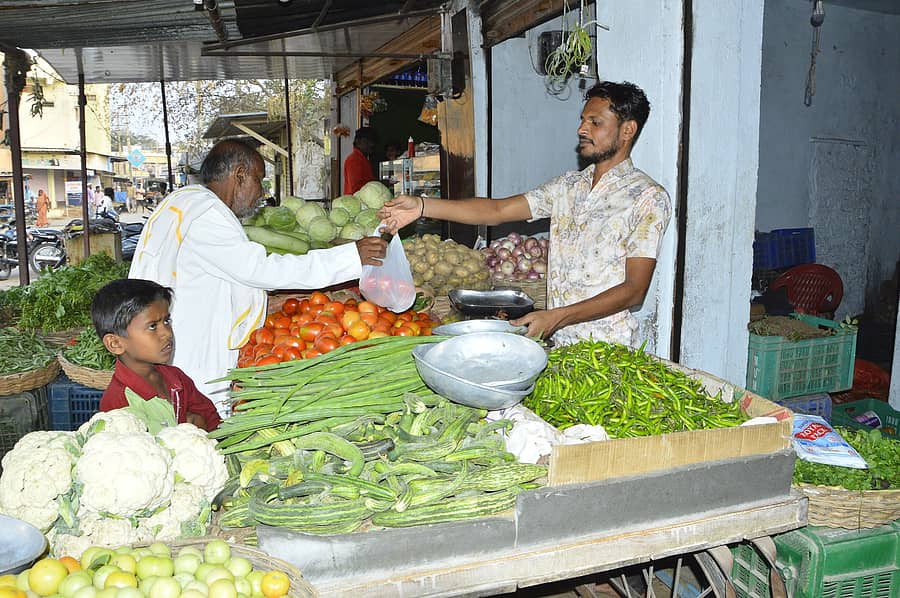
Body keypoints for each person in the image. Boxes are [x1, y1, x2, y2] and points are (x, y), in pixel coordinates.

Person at [380, 81, 672, 348]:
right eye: (583, 120)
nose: (582, 129)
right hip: (559, 342)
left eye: (595, 122)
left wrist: (557, 316)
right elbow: (497, 210)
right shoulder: (569, 186)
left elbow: (634, 290)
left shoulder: (647, 197)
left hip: (609, 348)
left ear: (627, 131)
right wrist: (422, 206)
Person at [129, 139, 388, 414]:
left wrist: (264, 303)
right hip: (195, 348)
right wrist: (350, 257)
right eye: (259, 181)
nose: (261, 194)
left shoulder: (187, 203)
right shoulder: (206, 216)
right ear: (240, 175)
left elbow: (225, 274)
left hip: (187, 333)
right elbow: (263, 270)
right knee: (199, 419)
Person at [91, 278, 222, 432]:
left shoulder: (176, 378)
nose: (167, 333)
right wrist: (193, 423)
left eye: (167, 321)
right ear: (116, 344)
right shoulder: (117, 404)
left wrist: (201, 424)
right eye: (152, 326)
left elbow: (211, 419)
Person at [344, 126, 377, 194]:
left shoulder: (362, 159)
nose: (371, 144)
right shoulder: (354, 160)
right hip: (356, 202)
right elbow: (356, 189)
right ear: (358, 141)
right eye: (367, 141)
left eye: (373, 141)